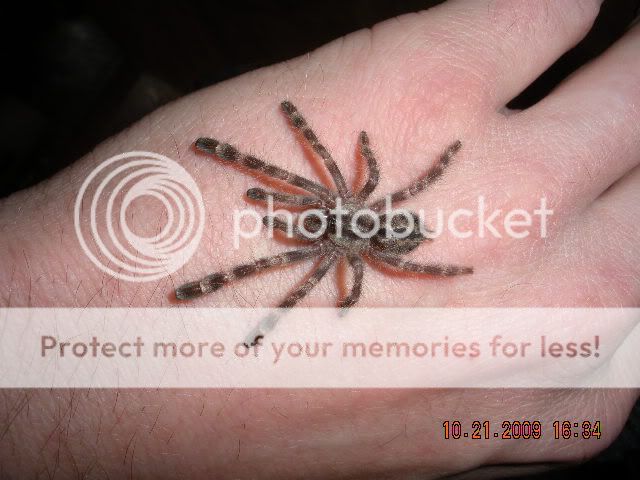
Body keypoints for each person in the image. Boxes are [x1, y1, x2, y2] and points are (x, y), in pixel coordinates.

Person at [0, 0, 638, 477]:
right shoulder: (344, 208)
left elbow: (358, 219)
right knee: (295, 198)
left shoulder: (344, 242)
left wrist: (431, 269)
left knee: (286, 262)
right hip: (356, 224)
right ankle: (217, 164)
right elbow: (356, 173)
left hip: (362, 234)